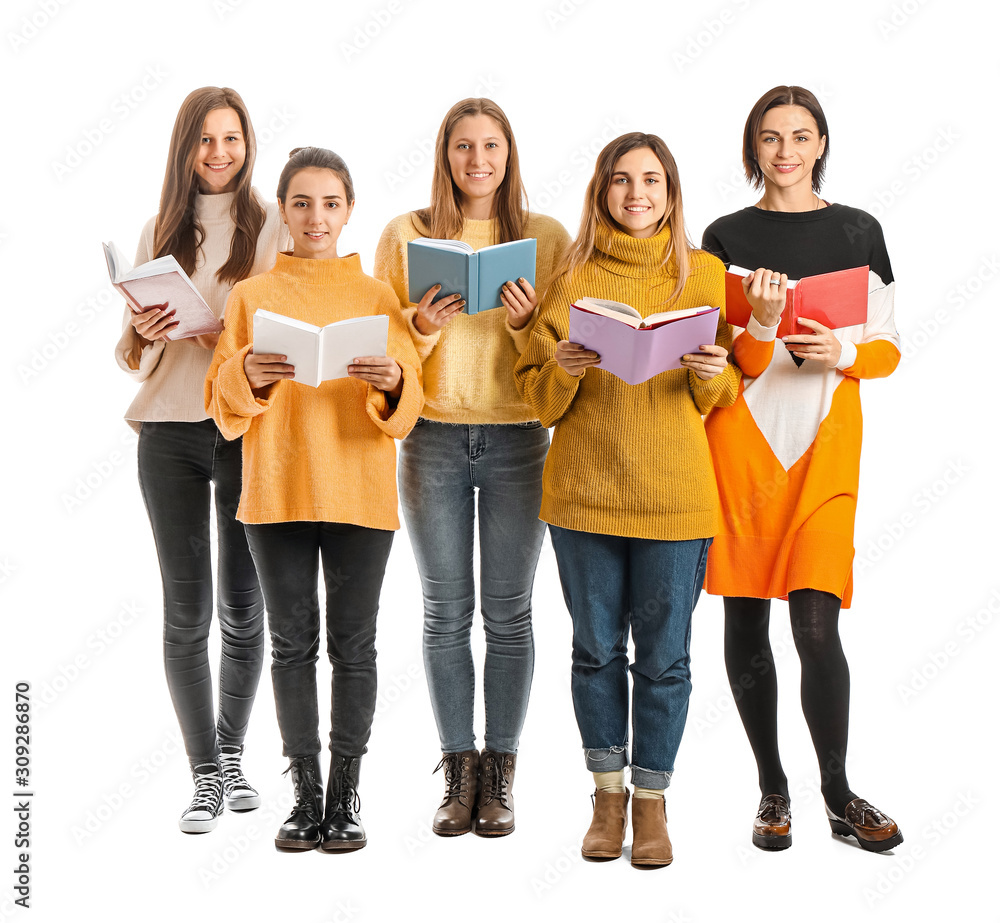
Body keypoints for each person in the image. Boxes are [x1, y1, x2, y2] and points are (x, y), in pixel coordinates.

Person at [515, 132, 739, 868]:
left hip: (675, 498)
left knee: (666, 660)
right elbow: (539, 400)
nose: (635, 194)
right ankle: (605, 796)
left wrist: (711, 369)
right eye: (620, 180)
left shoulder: (705, 274)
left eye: (650, 180)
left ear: (672, 192)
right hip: (583, 497)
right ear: (600, 191)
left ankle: (652, 803)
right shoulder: (569, 274)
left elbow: (723, 393)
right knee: (595, 649)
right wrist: (568, 365)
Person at [701, 85, 903, 853]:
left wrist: (840, 352)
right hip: (744, 442)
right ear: (752, 147)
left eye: (800, 134)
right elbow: (725, 360)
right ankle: (771, 789)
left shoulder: (859, 229)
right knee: (746, 615)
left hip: (825, 450)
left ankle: (837, 790)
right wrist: (759, 323)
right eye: (770, 136)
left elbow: (885, 347)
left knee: (817, 625)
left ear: (821, 143)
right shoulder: (721, 235)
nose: (785, 149)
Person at [206, 147, 422, 852]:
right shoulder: (252, 296)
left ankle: (346, 794)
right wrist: (248, 372)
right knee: (291, 645)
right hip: (278, 490)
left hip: (360, 489)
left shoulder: (379, 297)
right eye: (301, 203)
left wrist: (392, 377)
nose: (316, 217)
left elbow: (408, 408)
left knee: (353, 646)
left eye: (330, 203)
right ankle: (302, 793)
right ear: (283, 211)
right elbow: (221, 405)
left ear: (349, 209)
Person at [373, 98, 570, 837]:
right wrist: (421, 329)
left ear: (510, 154)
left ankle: (502, 771)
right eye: (463, 146)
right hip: (432, 437)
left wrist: (522, 325)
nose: (478, 160)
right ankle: (458, 772)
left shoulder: (548, 238)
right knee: (444, 612)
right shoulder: (407, 233)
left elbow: (559, 353)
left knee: (510, 614)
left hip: (520, 438)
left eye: (491, 146)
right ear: (444, 155)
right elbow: (384, 348)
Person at [114, 86, 287, 833]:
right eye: (206, 140)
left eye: (232, 138)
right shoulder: (160, 226)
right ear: (186, 147)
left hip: (244, 430)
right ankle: (206, 774)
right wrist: (148, 327)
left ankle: (233, 751)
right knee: (186, 613)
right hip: (169, 435)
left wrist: (227, 335)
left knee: (242, 610)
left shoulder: (275, 225)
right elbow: (132, 356)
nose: (220, 153)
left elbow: (281, 343)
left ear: (249, 144)